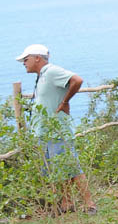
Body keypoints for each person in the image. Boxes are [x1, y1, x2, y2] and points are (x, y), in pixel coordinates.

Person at [16, 44, 96, 214]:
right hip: (46, 132)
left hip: (57, 130)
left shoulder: (51, 71)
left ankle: (90, 204)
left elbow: (77, 80)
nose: (24, 63)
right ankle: (66, 203)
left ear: (37, 58)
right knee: (58, 169)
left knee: (72, 168)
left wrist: (65, 102)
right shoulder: (42, 76)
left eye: (26, 59)